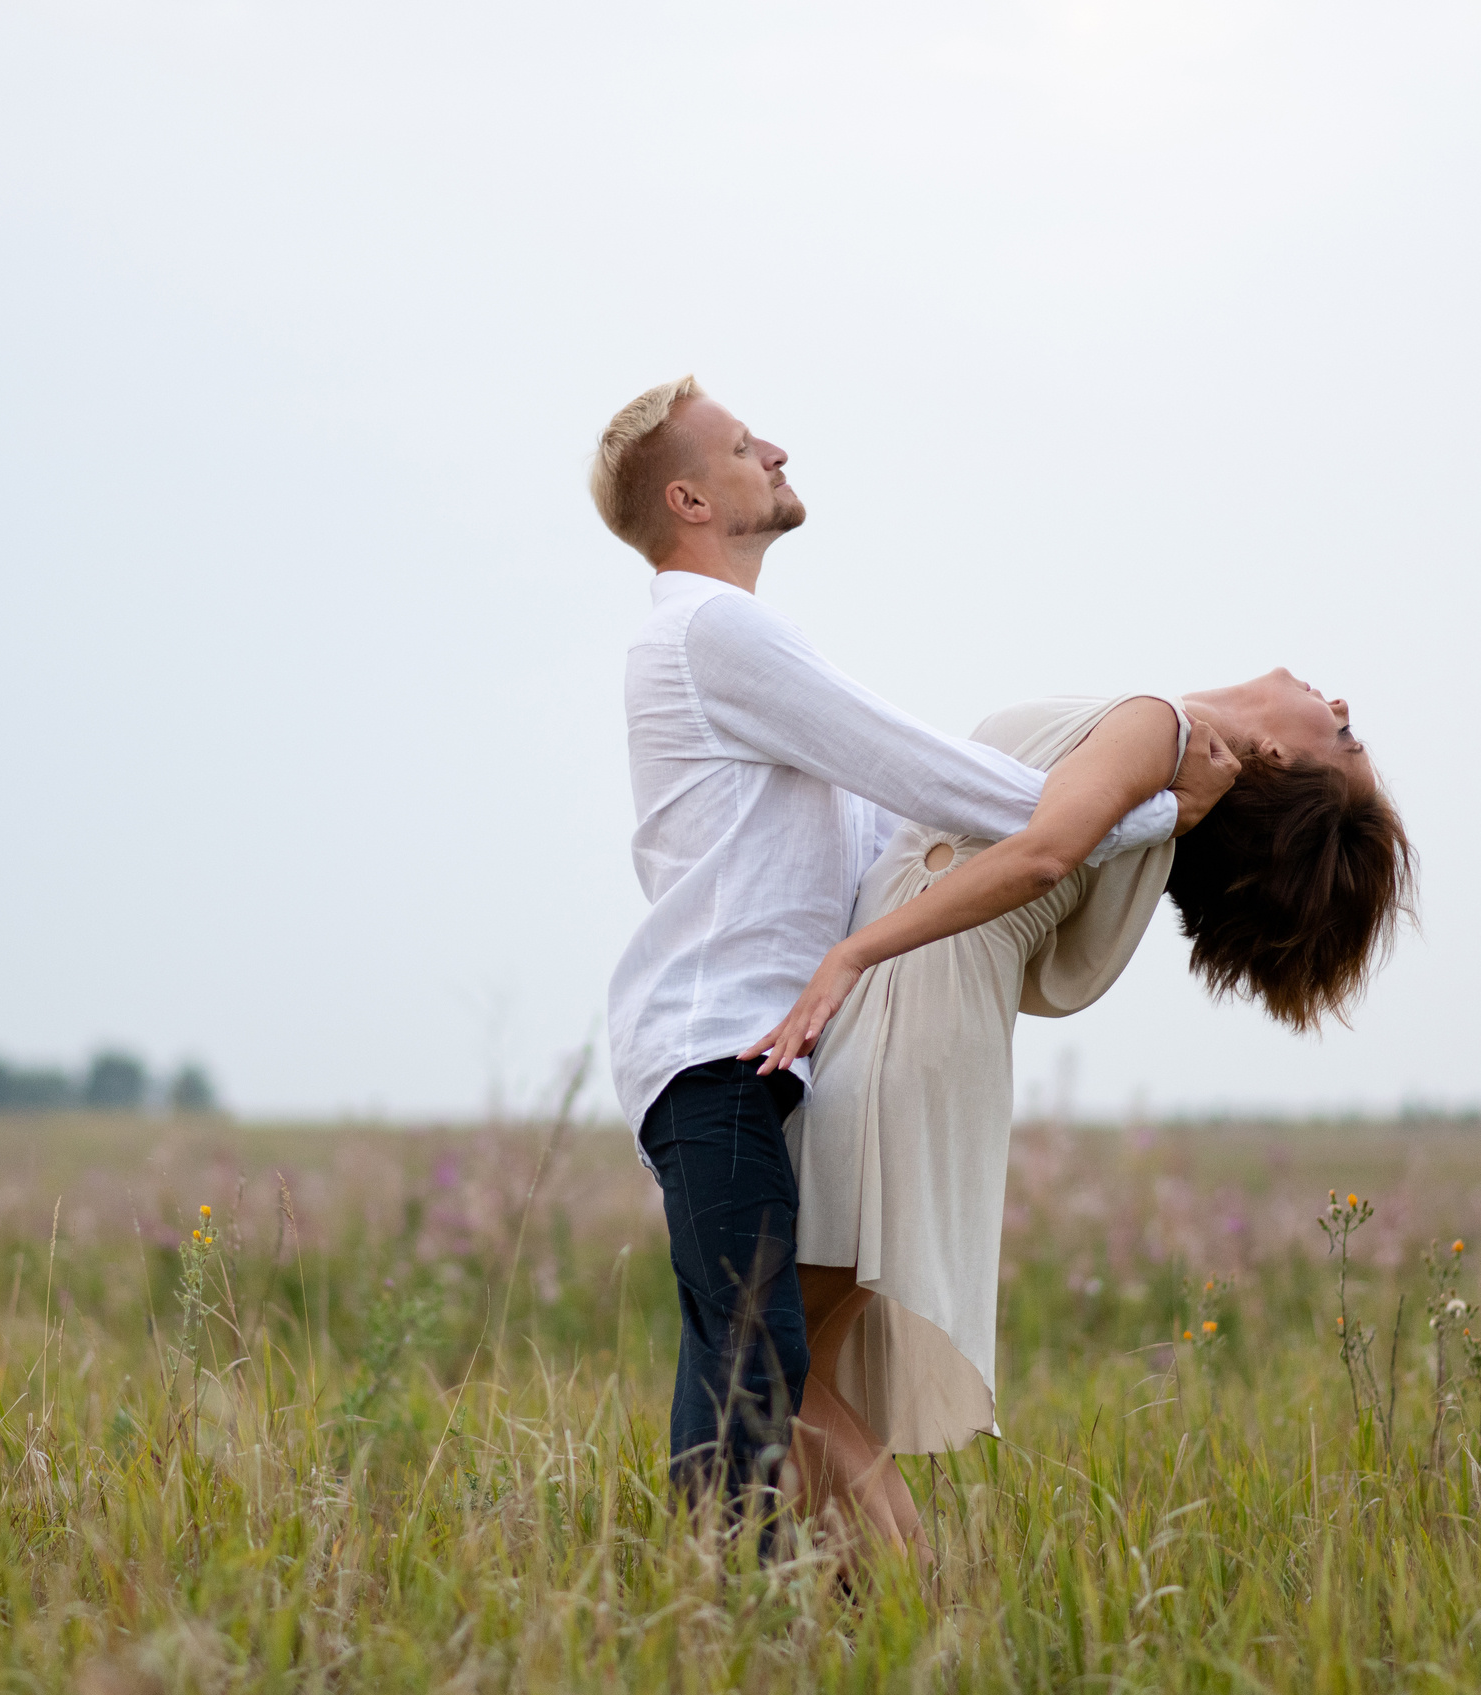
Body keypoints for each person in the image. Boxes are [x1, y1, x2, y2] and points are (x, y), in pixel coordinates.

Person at [589, 376, 1236, 1524]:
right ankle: (772, 1597)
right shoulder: (710, 631)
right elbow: (925, 772)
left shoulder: (715, 641)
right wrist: (1143, 812)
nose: (775, 451)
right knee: (757, 1358)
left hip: (754, 1061)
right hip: (711, 1056)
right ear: (688, 501)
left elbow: (887, 833)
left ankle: (733, 1602)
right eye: (741, 446)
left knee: (741, 1359)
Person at [745, 673, 1416, 1553]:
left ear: (1278, 756)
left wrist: (851, 955)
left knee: (767, 1360)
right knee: (796, 1365)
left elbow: (1041, 858)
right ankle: (872, 1607)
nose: (1340, 706)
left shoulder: (1158, 731)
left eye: (1345, 738)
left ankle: (914, 1604)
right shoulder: (1164, 800)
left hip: (908, 1020)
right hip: (932, 1030)